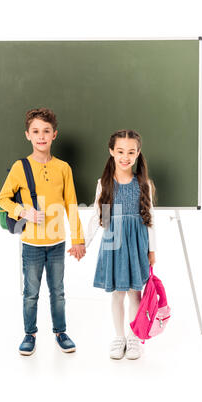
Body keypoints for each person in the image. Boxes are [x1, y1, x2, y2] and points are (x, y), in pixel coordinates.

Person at [0, 108, 86, 356]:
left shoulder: (63, 168)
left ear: (54, 134)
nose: (41, 136)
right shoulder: (20, 167)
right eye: (36, 131)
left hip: (58, 242)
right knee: (31, 293)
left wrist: (78, 240)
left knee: (58, 291)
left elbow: (72, 206)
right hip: (31, 244)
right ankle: (29, 334)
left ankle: (60, 331)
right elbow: (2, 199)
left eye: (46, 131)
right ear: (28, 135)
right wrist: (23, 211)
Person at [85, 129, 156, 360]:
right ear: (111, 152)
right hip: (113, 243)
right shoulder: (104, 184)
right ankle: (119, 337)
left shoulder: (142, 183)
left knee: (135, 293)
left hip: (137, 243)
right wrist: (83, 242)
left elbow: (150, 218)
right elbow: (98, 216)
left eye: (131, 152)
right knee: (117, 294)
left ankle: (134, 338)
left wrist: (152, 250)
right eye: (120, 151)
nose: (125, 157)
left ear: (138, 153)